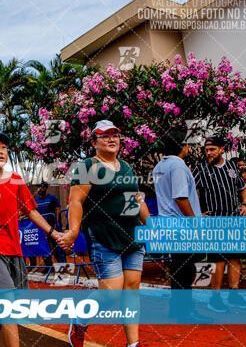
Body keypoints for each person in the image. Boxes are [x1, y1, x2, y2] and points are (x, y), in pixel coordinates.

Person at [0, 133, 65, 347]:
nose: (0, 151)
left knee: (15, 302)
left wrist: (53, 233)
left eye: (4, 147)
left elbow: (32, 211)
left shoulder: (16, 180)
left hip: (14, 248)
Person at [59, 120, 149, 347]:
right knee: (110, 294)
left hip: (133, 238)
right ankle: (79, 320)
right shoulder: (88, 166)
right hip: (104, 237)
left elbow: (136, 201)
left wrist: (153, 227)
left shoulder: (126, 167)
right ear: (94, 142)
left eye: (115, 135)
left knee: (131, 290)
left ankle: (133, 344)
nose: (111, 139)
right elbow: (76, 201)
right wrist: (73, 231)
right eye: (105, 135)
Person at [152, 130, 211, 323]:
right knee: (185, 270)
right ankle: (185, 311)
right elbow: (180, 197)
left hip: (170, 224)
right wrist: (195, 222)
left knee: (179, 268)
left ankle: (177, 309)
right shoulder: (178, 165)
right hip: (182, 227)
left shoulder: (160, 166)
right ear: (183, 146)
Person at [192, 136, 246, 312]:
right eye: (206, 150)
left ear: (222, 149)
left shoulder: (232, 167)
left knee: (235, 257)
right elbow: (189, 190)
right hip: (214, 221)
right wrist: (197, 213)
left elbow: (242, 187)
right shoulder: (201, 169)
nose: (208, 153)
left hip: (234, 219)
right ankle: (215, 298)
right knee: (217, 259)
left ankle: (234, 294)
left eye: (212, 150)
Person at [30, 182, 61, 269]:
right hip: (41, 228)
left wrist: (56, 222)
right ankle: (48, 266)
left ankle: (60, 265)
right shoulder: (36, 200)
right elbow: (33, 212)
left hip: (52, 227)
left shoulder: (52, 198)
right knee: (44, 246)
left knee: (55, 246)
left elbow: (57, 209)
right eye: (38, 188)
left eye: (41, 187)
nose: (39, 189)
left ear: (45, 188)